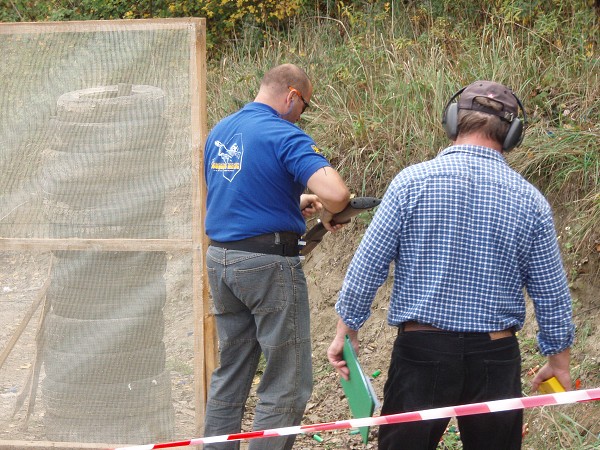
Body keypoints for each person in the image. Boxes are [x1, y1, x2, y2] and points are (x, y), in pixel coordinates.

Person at [327, 80, 575, 450]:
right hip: (495, 357)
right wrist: (559, 360)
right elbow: (551, 294)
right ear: (512, 136)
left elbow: (368, 265)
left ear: (453, 120)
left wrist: (347, 330)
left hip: (421, 352)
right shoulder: (531, 201)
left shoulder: (409, 184)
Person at [203, 63, 351, 450]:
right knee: (287, 380)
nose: (303, 113)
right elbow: (336, 194)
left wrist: (293, 201)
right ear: (291, 96)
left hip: (221, 260)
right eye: (305, 104)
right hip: (267, 264)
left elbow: (235, 189)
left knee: (231, 371)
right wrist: (330, 209)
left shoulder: (221, 130)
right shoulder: (284, 134)